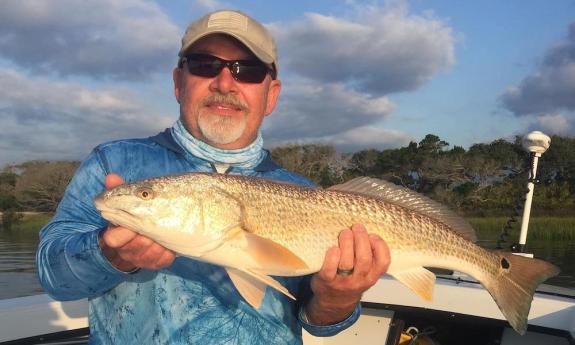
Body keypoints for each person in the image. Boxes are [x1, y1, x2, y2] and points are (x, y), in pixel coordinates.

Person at [36, 9, 390, 345]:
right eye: (205, 65)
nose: (225, 82)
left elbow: (320, 322)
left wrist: (337, 299)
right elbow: (53, 277)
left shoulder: (306, 193)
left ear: (271, 95)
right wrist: (112, 254)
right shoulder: (113, 163)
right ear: (179, 82)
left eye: (247, 70)